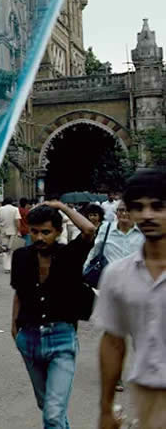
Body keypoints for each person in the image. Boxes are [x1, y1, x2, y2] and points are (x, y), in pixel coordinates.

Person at [11, 201, 96, 428]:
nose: (39, 238)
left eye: (46, 232)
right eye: (35, 231)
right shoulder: (21, 256)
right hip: (28, 339)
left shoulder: (69, 254)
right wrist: (15, 328)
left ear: (58, 232)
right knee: (47, 406)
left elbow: (88, 230)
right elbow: (19, 292)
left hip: (62, 340)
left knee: (53, 413)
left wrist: (61, 206)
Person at [96, 169, 166, 429]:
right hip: (149, 393)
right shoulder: (117, 275)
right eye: (139, 207)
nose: (147, 215)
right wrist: (105, 408)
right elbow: (113, 342)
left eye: (158, 206)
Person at [0, 198, 22, 273]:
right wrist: (19, 231)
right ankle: (11, 266)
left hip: (3, 231)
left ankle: (7, 268)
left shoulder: (0, 209)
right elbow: (17, 220)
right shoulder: (15, 209)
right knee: (11, 250)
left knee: (4, 249)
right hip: (13, 231)